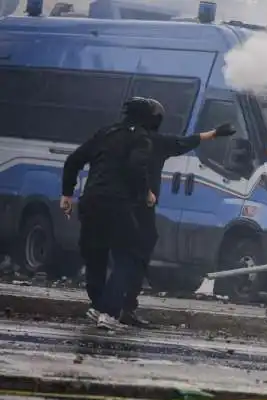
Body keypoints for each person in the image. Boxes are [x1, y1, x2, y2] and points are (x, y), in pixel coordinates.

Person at [120, 97, 236, 327]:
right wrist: (215, 133)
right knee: (137, 255)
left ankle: (109, 306)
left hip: (112, 204)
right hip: (140, 208)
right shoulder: (153, 142)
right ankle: (123, 308)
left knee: (117, 256)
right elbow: (184, 142)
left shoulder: (114, 137)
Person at [60, 98, 156, 331]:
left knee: (96, 254)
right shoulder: (141, 138)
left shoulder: (106, 133)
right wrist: (146, 192)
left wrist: (66, 194)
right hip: (116, 203)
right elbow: (136, 167)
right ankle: (110, 312)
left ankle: (97, 306)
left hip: (90, 201)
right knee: (130, 254)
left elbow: (73, 160)